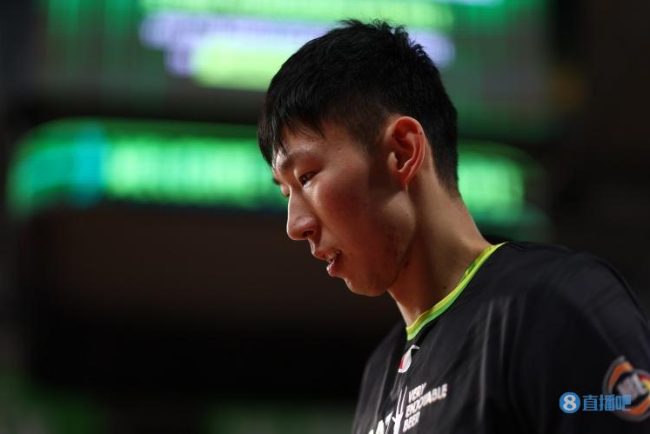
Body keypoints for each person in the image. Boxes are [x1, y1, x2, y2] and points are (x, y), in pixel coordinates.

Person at [257, 20, 650, 433]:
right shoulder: (379, 374)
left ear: (402, 152)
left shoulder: (552, 302)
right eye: (286, 193)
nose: (295, 226)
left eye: (306, 177)